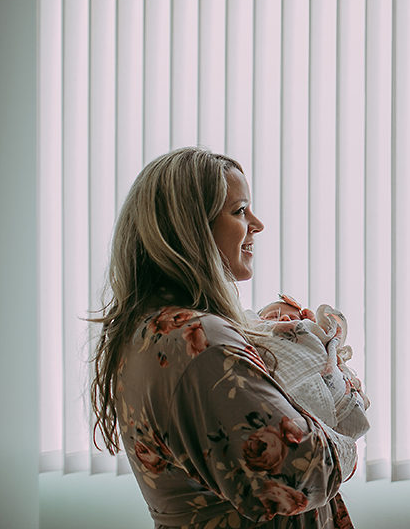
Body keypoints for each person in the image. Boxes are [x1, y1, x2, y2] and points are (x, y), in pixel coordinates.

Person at [90, 147, 357, 528]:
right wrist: (335, 390)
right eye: (240, 210)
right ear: (190, 228)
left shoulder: (146, 330)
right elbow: (307, 472)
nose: (258, 224)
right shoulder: (201, 342)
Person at [248, 294, 370, 440]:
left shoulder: (307, 334)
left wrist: (315, 327)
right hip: (291, 394)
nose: (285, 318)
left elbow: (328, 333)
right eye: (274, 316)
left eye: (293, 317)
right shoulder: (256, 331)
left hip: (330, 387)